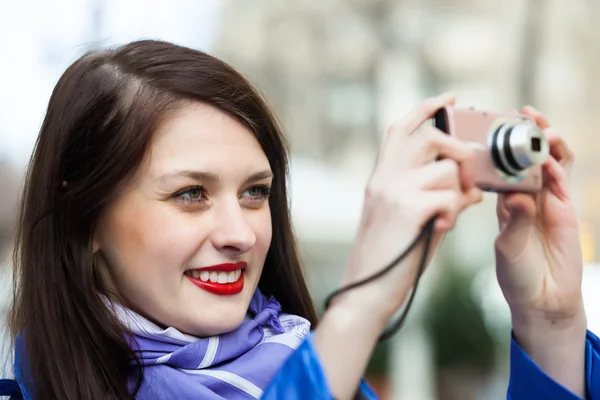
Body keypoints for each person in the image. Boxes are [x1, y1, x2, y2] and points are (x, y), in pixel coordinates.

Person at [0, 39, 597, 400]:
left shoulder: (320, 371)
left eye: (256, 192)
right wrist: (362, 302)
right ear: (86, 216)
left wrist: (551, 322)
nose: (240, 233)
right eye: (190, 194)